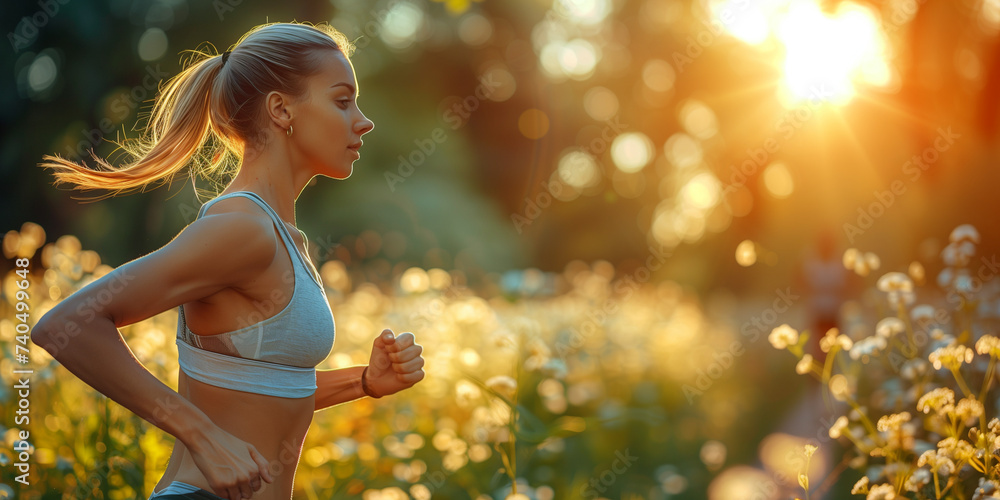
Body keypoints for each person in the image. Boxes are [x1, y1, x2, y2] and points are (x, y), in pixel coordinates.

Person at [32, 22, 425, 500]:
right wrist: (201, 435)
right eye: (343, 101)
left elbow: (258, 391)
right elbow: (66, 325)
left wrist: (362, 382)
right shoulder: (243, 229)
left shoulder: (279, 235)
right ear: (281, 109)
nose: (363, 121)